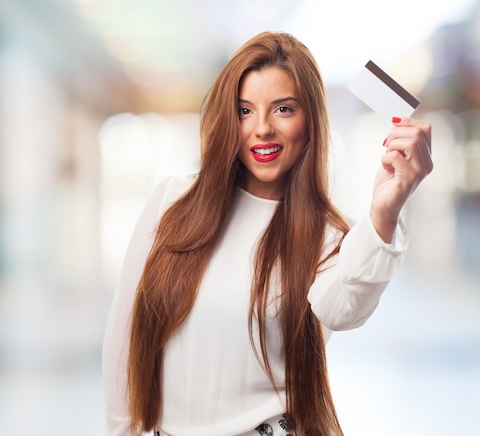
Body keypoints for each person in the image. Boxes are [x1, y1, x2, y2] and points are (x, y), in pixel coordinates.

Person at [102, 31, 433, 436]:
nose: (261, 129)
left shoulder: (328, 236)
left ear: (310, 120)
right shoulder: (173, 200)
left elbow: (342, 310)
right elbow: (124, 340)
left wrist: (385, 209)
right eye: (244, 110)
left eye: (282, 109)